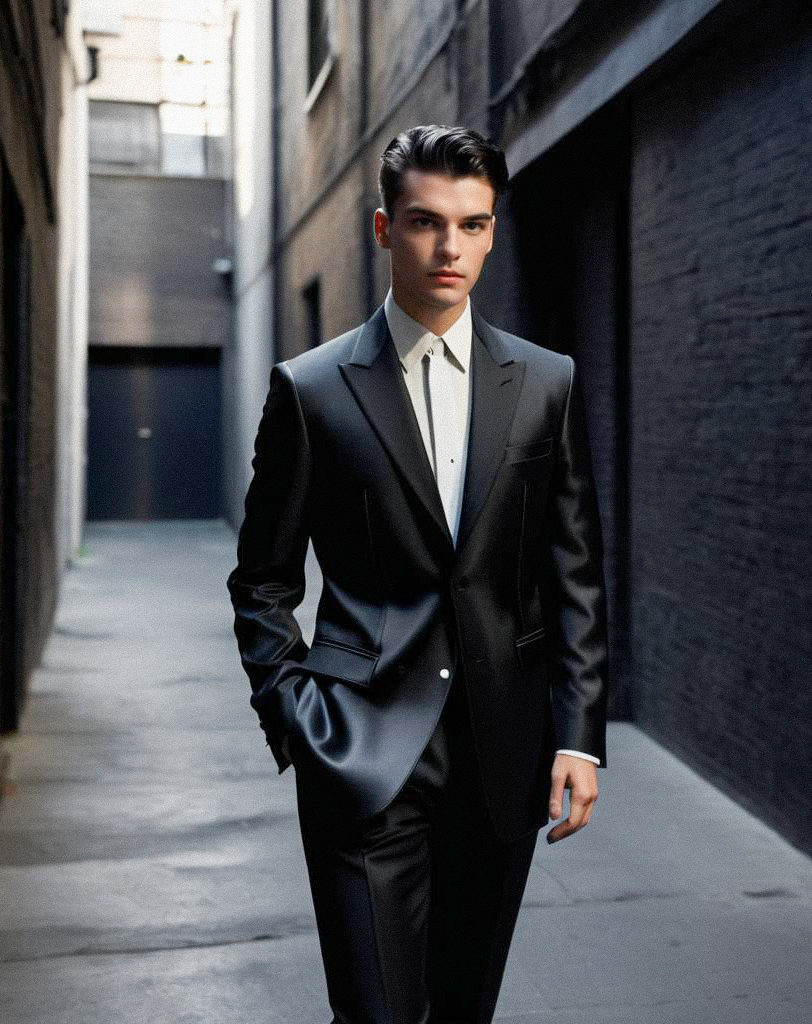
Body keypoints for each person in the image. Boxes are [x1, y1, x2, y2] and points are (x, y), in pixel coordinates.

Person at [226, 123, 608, 1024]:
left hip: (502, 752)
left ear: (491, 230)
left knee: (462, 1010)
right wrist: (296, 716)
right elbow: (263, 580)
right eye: (427, 222)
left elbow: (575, 570)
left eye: (474, 225)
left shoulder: (546, 382)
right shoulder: (312, 389)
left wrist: (579, 733)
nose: (452, 248)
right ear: (383, 229)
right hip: (359, 751)